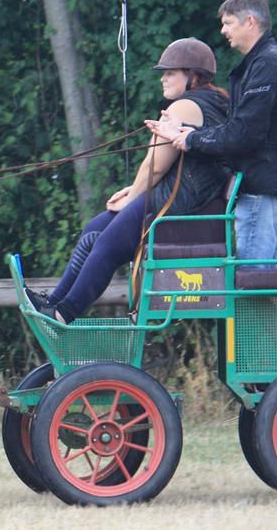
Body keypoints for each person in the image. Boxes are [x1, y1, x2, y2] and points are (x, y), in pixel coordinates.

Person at [28, 38, 230, 323]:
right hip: (188, 197)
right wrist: (130, 192)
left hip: (176, 201)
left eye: (170, 72)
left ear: (192, 76)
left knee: (108, 244)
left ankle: (63, 313)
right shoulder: (216, 101)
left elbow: (155, 167)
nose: (163, 78)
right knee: (96, 228)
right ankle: (54, 301)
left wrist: (131, 199)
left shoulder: (184, 107)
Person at [146, 0, 277, 267]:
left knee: (253, 283)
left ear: (250, 21)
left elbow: (244, 134)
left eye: (229, 23)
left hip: (263, 190)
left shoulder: (267, 64)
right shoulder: (261, 63)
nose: (223, 30)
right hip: (266, 188)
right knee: (265, 284)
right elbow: (236, 130)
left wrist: (190, 139)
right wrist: (184, 131)